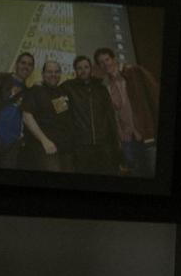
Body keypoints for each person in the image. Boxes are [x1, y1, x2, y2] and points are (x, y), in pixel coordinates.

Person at [91, 45, 160, 178]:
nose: (105, 64)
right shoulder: (108, 87)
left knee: (153, 174)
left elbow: (154, 96)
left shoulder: (134, 72)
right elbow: (115, 115)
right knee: (136, 175)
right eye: (101, 62)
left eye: (107, 59)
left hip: (146, 134)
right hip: (127, 141)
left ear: (114, 59)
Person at [58, 54, 119, 176]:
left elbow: (110, 115)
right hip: (81, 146)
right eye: (79, 68)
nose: (83, 70)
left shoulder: (101, 88)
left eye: (86, 67)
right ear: (75, 70)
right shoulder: (66, 87)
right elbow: (60, 112)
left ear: (90, 68)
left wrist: (115, 140)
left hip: (104, 145)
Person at [0, 50, 33, 168]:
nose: (26, 66)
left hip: (12, 145)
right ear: (16, 64)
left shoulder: (28, 92)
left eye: (30, 64)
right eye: (23, 63)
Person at [21, 58, 66, 170]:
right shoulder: (35, 90)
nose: (53, 74)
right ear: (43, 74)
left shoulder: (59, 92)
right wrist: (44, 140)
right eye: (49, 72)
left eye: (56, 72)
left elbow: (62, 116)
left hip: (61, 148)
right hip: (43, 148)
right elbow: (26, 116)